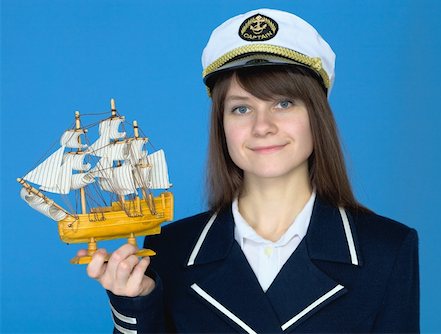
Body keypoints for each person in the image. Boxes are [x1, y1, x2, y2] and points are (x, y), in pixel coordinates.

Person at [80, 8, 419, 333]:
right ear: (222, 125)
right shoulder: (170, 249)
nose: (262, 126)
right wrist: (136, 304)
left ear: (316, 117)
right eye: (241, 108)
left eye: (283, 103)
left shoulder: (386, 249)